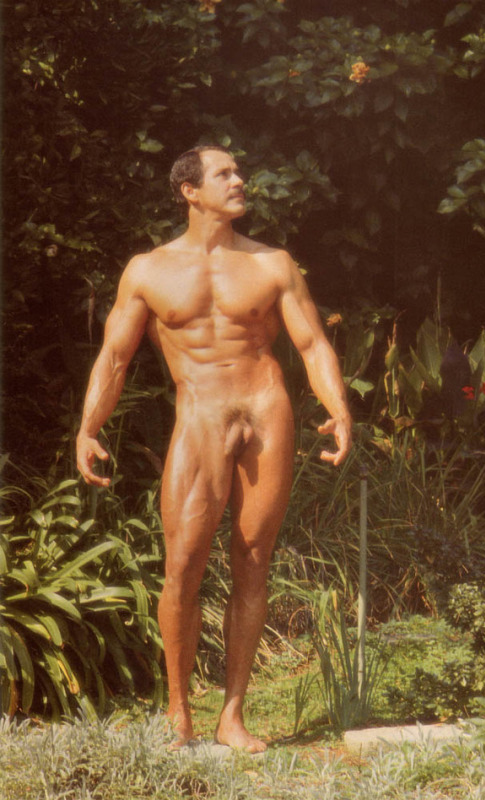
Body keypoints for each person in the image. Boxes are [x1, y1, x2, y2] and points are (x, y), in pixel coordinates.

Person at [76, 145, 352, 752]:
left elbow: (312, 346)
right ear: (190, 191)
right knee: (182, 566)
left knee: (252, 559)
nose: (239, 180)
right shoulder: (147, 271)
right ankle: (178, 713)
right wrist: (89, 427)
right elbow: (114, 358)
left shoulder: (273, 263)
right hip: (199, 413)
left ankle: (232, 716)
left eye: (239, 171)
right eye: (224, 173)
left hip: (265, 408)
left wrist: (337, 409)